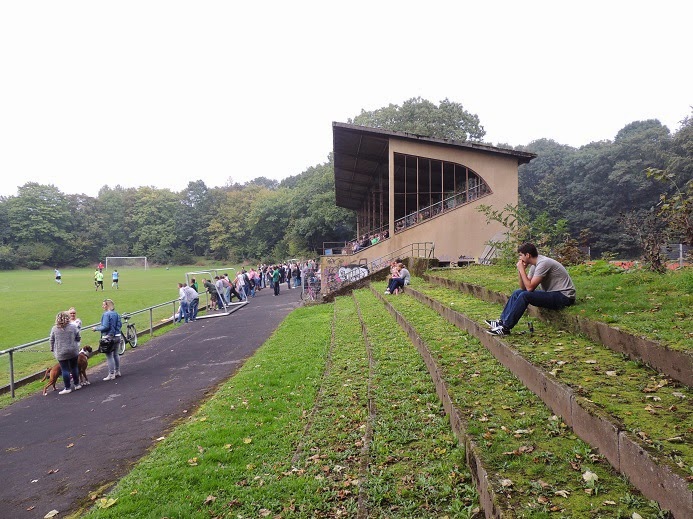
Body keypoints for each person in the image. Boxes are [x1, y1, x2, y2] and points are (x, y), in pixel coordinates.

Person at [486, 243, 576, 336]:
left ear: (527, 255)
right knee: (518, 292)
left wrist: (521, 270)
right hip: (553, 294)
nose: (519, 258)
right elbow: (524, 287)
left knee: (525, 296)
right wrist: (520, 271)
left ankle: (505, 328)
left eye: (521, 255)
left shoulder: (543, 263)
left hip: (564, 297)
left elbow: (530, 288)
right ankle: (502, 322)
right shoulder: (535, 265)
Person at [49, 310, 82, 394]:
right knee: (74, 367)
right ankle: (77, 384)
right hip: (73, 351)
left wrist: (52, 348)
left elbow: (52, 340)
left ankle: (67, 387)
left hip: (61, 352)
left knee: (65, 370)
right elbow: (78, 337)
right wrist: (75, 344)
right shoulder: (73, 327)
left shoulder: (54, 329)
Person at [93, 299, 122, 380]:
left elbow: (105, 326)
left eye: (104, 305)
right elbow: (120, 324)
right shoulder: (116, 313)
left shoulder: (106, 314)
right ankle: (117, 371)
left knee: (109, 356)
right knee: (116, 354)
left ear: (107, 305)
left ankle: (111, 374)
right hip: (117, 336)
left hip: (108, 337)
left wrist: (96, 328)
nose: (102, 306)